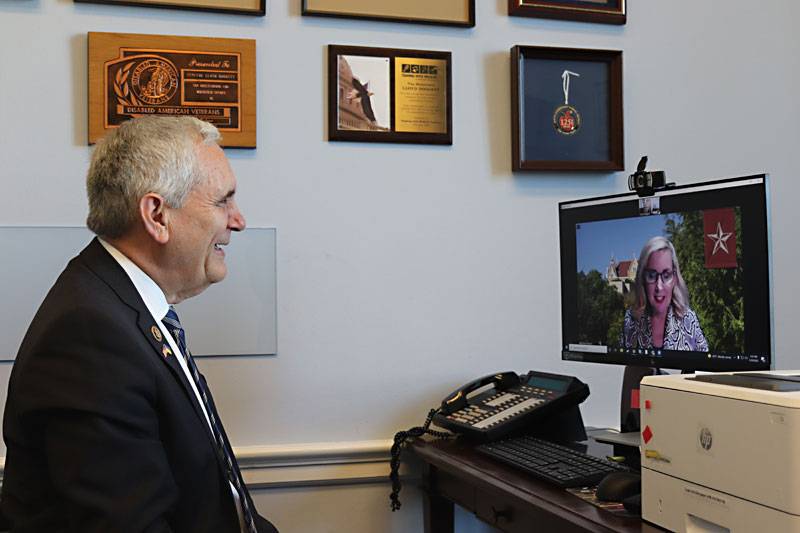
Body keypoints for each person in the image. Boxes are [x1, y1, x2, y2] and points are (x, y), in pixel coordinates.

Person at [1, 117, 278, 533]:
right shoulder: (89, 337)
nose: (238, 220)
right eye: (223, 201)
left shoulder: (121, 306)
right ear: (156, 215)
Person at [621, 236, 708, 352]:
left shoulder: (688, 318)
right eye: (651, 276)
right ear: (642, 279)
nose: (659, 286)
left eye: (666, 275)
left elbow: (705, 364)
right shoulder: (631, 320)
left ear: (675, 279)